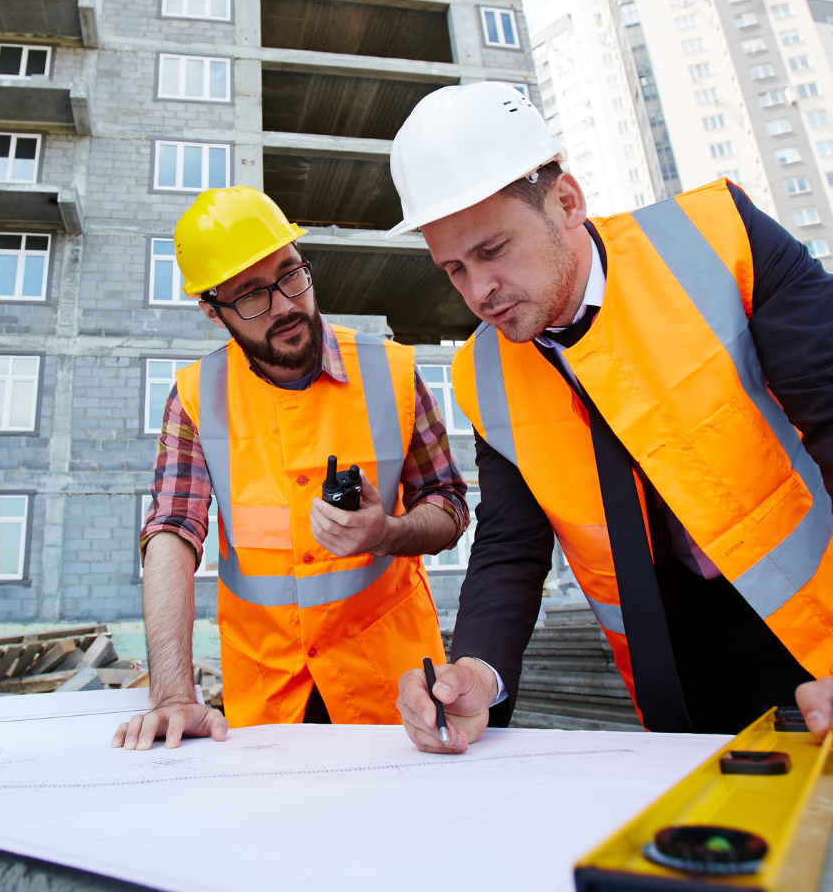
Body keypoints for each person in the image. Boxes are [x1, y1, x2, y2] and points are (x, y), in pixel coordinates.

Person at [388, 81, 833, 751]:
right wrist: (476, 669)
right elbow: (511, 542)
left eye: (493, 251)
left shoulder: (718, 238)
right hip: (679, 670)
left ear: (566, 202)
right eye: (453, 268)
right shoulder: (481, 373)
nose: (479, 293)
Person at [114, 185, 469, 749]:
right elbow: (172, 533)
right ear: (212, 311)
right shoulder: (195, 397)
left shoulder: (393, 373)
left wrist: (389, 532)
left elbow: (448, 506)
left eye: (290, 274)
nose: (284, 305)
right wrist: (173, 693)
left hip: (396, 697)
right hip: (268, 704)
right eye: (251, 296)